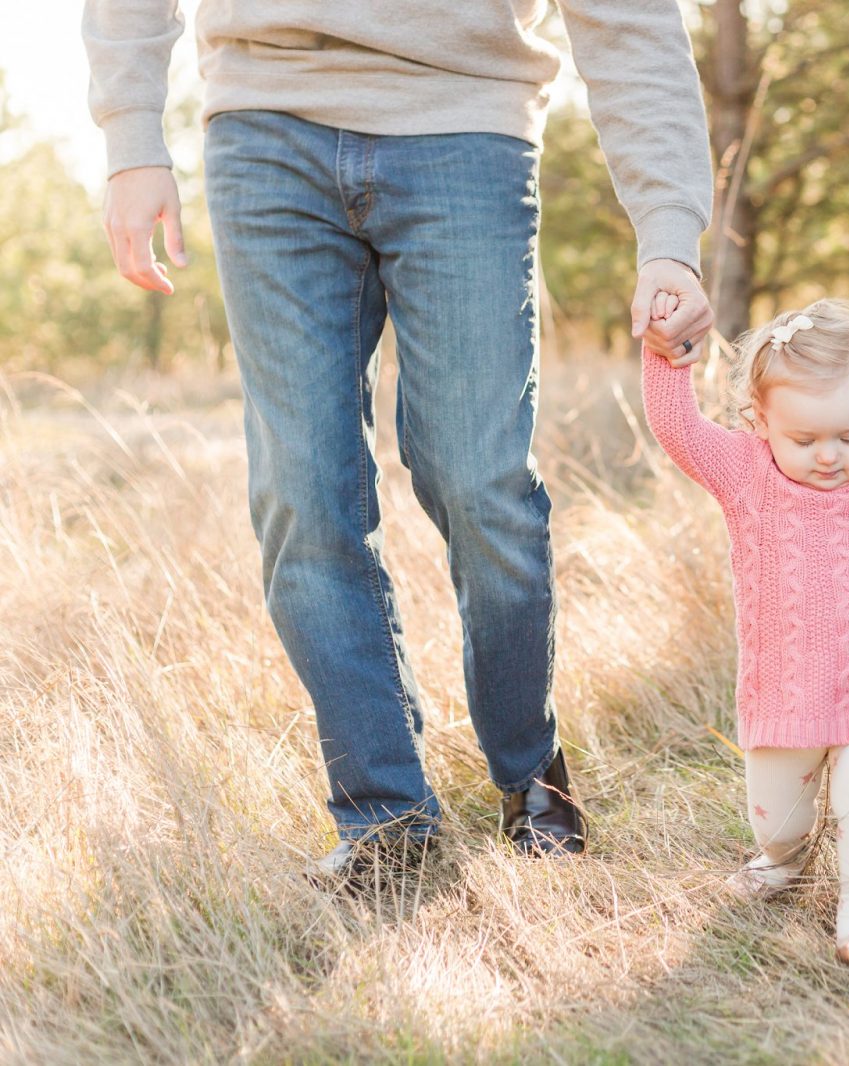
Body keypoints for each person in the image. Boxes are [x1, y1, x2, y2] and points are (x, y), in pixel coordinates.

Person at [82, 0, 717, 881]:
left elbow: (628, 18)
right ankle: (387, 820)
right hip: (265, 125)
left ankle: (531, 774)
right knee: (303, 496)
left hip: (467, 123)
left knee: (479, 480)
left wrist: (669, 231)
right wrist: (131, 136)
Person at [640, 295, 849, 965]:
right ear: (761, 423)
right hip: (785, 694)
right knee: (779, 819)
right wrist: (666, 355)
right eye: (806, 439)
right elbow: (678, 427)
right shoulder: (744, 473)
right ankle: (783, 861)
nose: (829, 456)